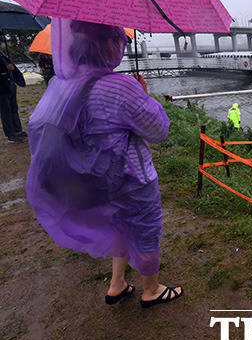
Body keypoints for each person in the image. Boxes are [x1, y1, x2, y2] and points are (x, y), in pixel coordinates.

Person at [26, 18, 182, 308]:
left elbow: (38, 125)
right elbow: (158, 130)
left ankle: (117, 283)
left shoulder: (60, 85)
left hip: (94, 181)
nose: (122, 45)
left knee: (119, 226)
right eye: (118, 39)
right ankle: (151, 289)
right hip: (131, 178)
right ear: (108, 45)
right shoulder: (120, 87)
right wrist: (144, 96)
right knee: (145, 228)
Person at [0, 35, 27, 143]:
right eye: (0, 40)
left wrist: (10, 67)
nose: (2, 41)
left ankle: (18, 130)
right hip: (2, 88)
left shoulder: (2, 53)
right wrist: (5, 68)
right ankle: (11, 134)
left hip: (10, 84)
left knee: (13, 109)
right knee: (6, 111)